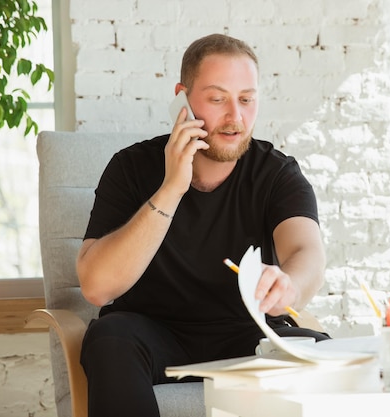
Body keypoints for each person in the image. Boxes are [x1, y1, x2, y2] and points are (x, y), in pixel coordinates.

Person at [76, 33, 329, 417]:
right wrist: (171, 188)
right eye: (217, 99)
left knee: (323, 353)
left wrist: (290, 283)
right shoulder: (130, 167)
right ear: (183, 97)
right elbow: (96, 287)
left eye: (246, 99)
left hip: (247, 334)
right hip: (152, 334)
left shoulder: (276, 173)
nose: (236, 117)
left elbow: (306, 251)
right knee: (108, 339)